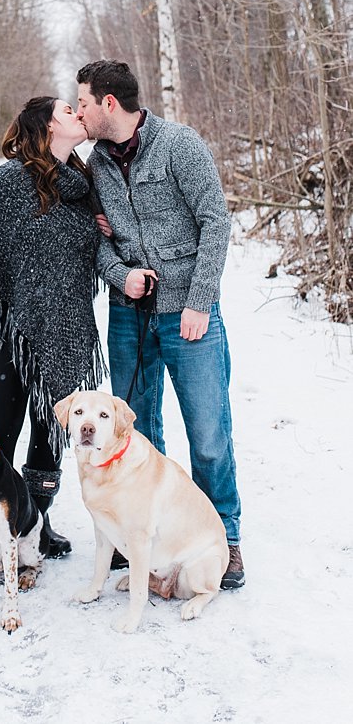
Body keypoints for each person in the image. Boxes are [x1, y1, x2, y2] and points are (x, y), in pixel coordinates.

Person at [75, 59, 244, 589]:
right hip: (129, 314)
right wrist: (121, 276)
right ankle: (139, 536)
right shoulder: (95, 164)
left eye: (83, 101)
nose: (78, 110)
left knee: (209, 433)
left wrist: (198, 301)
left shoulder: (179, 145)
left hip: (189, 314)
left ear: (108, 103)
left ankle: (225, 539)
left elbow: (215, 220)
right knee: (136, 429)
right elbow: (97, 242)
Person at [0, 96, 105, 559]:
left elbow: (87, 253)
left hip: (67, 328)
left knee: (51, 433)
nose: (78, 113)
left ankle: (38, 520)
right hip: (8, 332)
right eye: (68, 111)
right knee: (4, 431)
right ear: (47, 128)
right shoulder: (7, 182)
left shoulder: (81, 186)